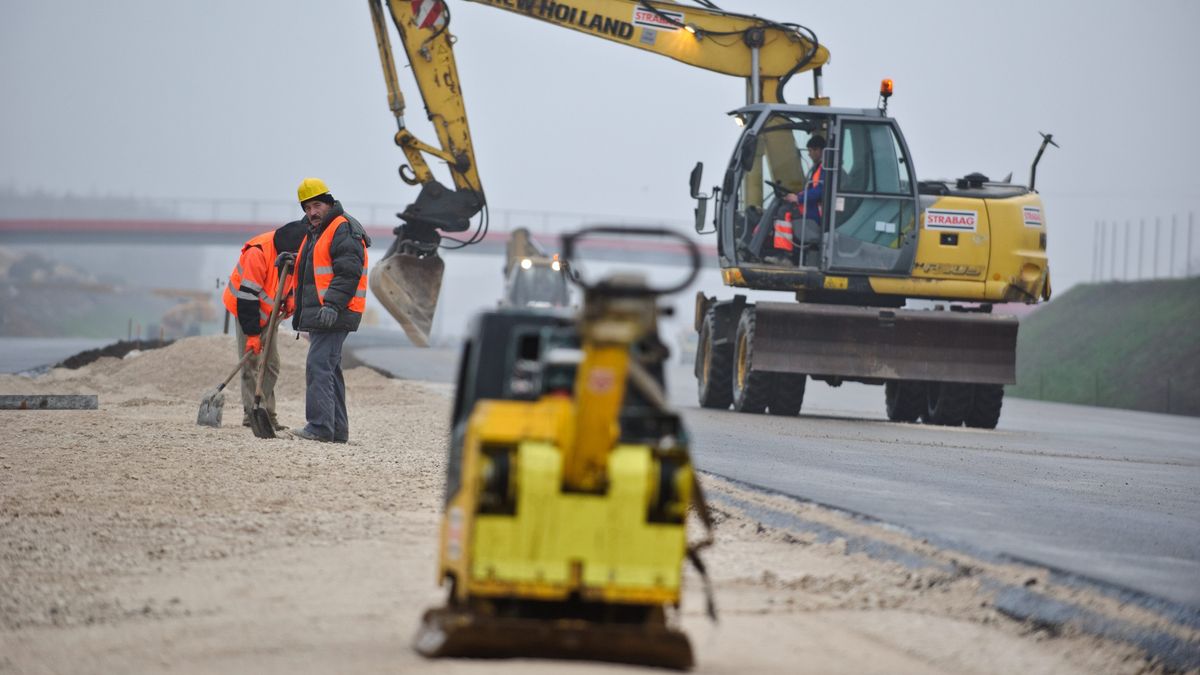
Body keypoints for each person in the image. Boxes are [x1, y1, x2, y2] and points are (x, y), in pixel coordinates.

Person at [287, 178, 371, 443]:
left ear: (329, 202)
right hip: (327, 311)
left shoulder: (341, 228)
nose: (312, 212)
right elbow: (318, 269)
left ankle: (320, 427)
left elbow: (348, 271)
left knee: (318, 365)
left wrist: (334, 304)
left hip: (335, 311)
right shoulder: (319, 232)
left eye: (317, 205)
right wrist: (292, 262)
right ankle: (336, 430)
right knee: (330, 368)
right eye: (307, 208)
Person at [221, 219, 307, 430]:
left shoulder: (297, 253)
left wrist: (291, 297)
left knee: (271, 365)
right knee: (250, 363)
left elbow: (290, 280)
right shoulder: (258, 253)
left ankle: (265, 412)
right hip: (245, 309)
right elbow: (247, 297)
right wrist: (251, 335)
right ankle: (252, 414)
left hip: (270, 312)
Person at [742, 134, 826, 263]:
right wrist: (795, 196)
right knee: (780, 203)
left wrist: (798, 199)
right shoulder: (819, 168)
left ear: (818, 150)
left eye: (810, 151)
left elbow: (820, 191)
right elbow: (812, 190)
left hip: (816, 212)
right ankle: (756, 245)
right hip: (811, 207)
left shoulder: (825, 169)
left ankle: (784, 254)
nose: (809, 154)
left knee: (783, 211)